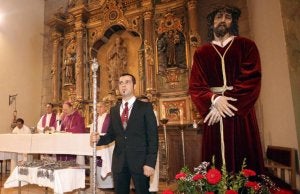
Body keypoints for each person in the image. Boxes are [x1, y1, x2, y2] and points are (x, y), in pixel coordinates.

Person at [189, 5, 264, 173]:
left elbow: (251, 78)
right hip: (213, 110)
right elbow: (195, 85)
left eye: (227, 17)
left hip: (239, 112)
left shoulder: (247, 46)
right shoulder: (201, 52)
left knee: (244, 159)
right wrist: (214, 100)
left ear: (233, 22)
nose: (223, 20)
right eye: (218, 17)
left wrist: (224, 102)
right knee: (214, 163)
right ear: (211, 23)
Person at [90, 73, 158, 194]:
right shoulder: (114, 110)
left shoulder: (145, 107)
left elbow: (153, 137)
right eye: (121, 83)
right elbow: (112, 134)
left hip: (140, 161)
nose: (123, 85)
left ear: (134, 85)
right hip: (119, 161)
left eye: (127, 82)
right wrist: (99, 139)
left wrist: (150, 163)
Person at [137, 95, 159, 194]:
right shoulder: (134, 114)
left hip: (149, 147)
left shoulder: (153, 112)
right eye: (142, 103)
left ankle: (153, 188)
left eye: (146, 103)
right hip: (138, 148)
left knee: (151, 168)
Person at [90, 101, 114, 189]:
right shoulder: (96, 119)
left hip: (107, 145)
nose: (98, 109)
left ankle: (110, 184)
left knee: (108, 162)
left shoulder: (109, 118)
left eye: (100, 107)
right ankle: (100, 184)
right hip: (98, 144)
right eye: (97, 107)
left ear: (105, 108)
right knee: (98, 163)